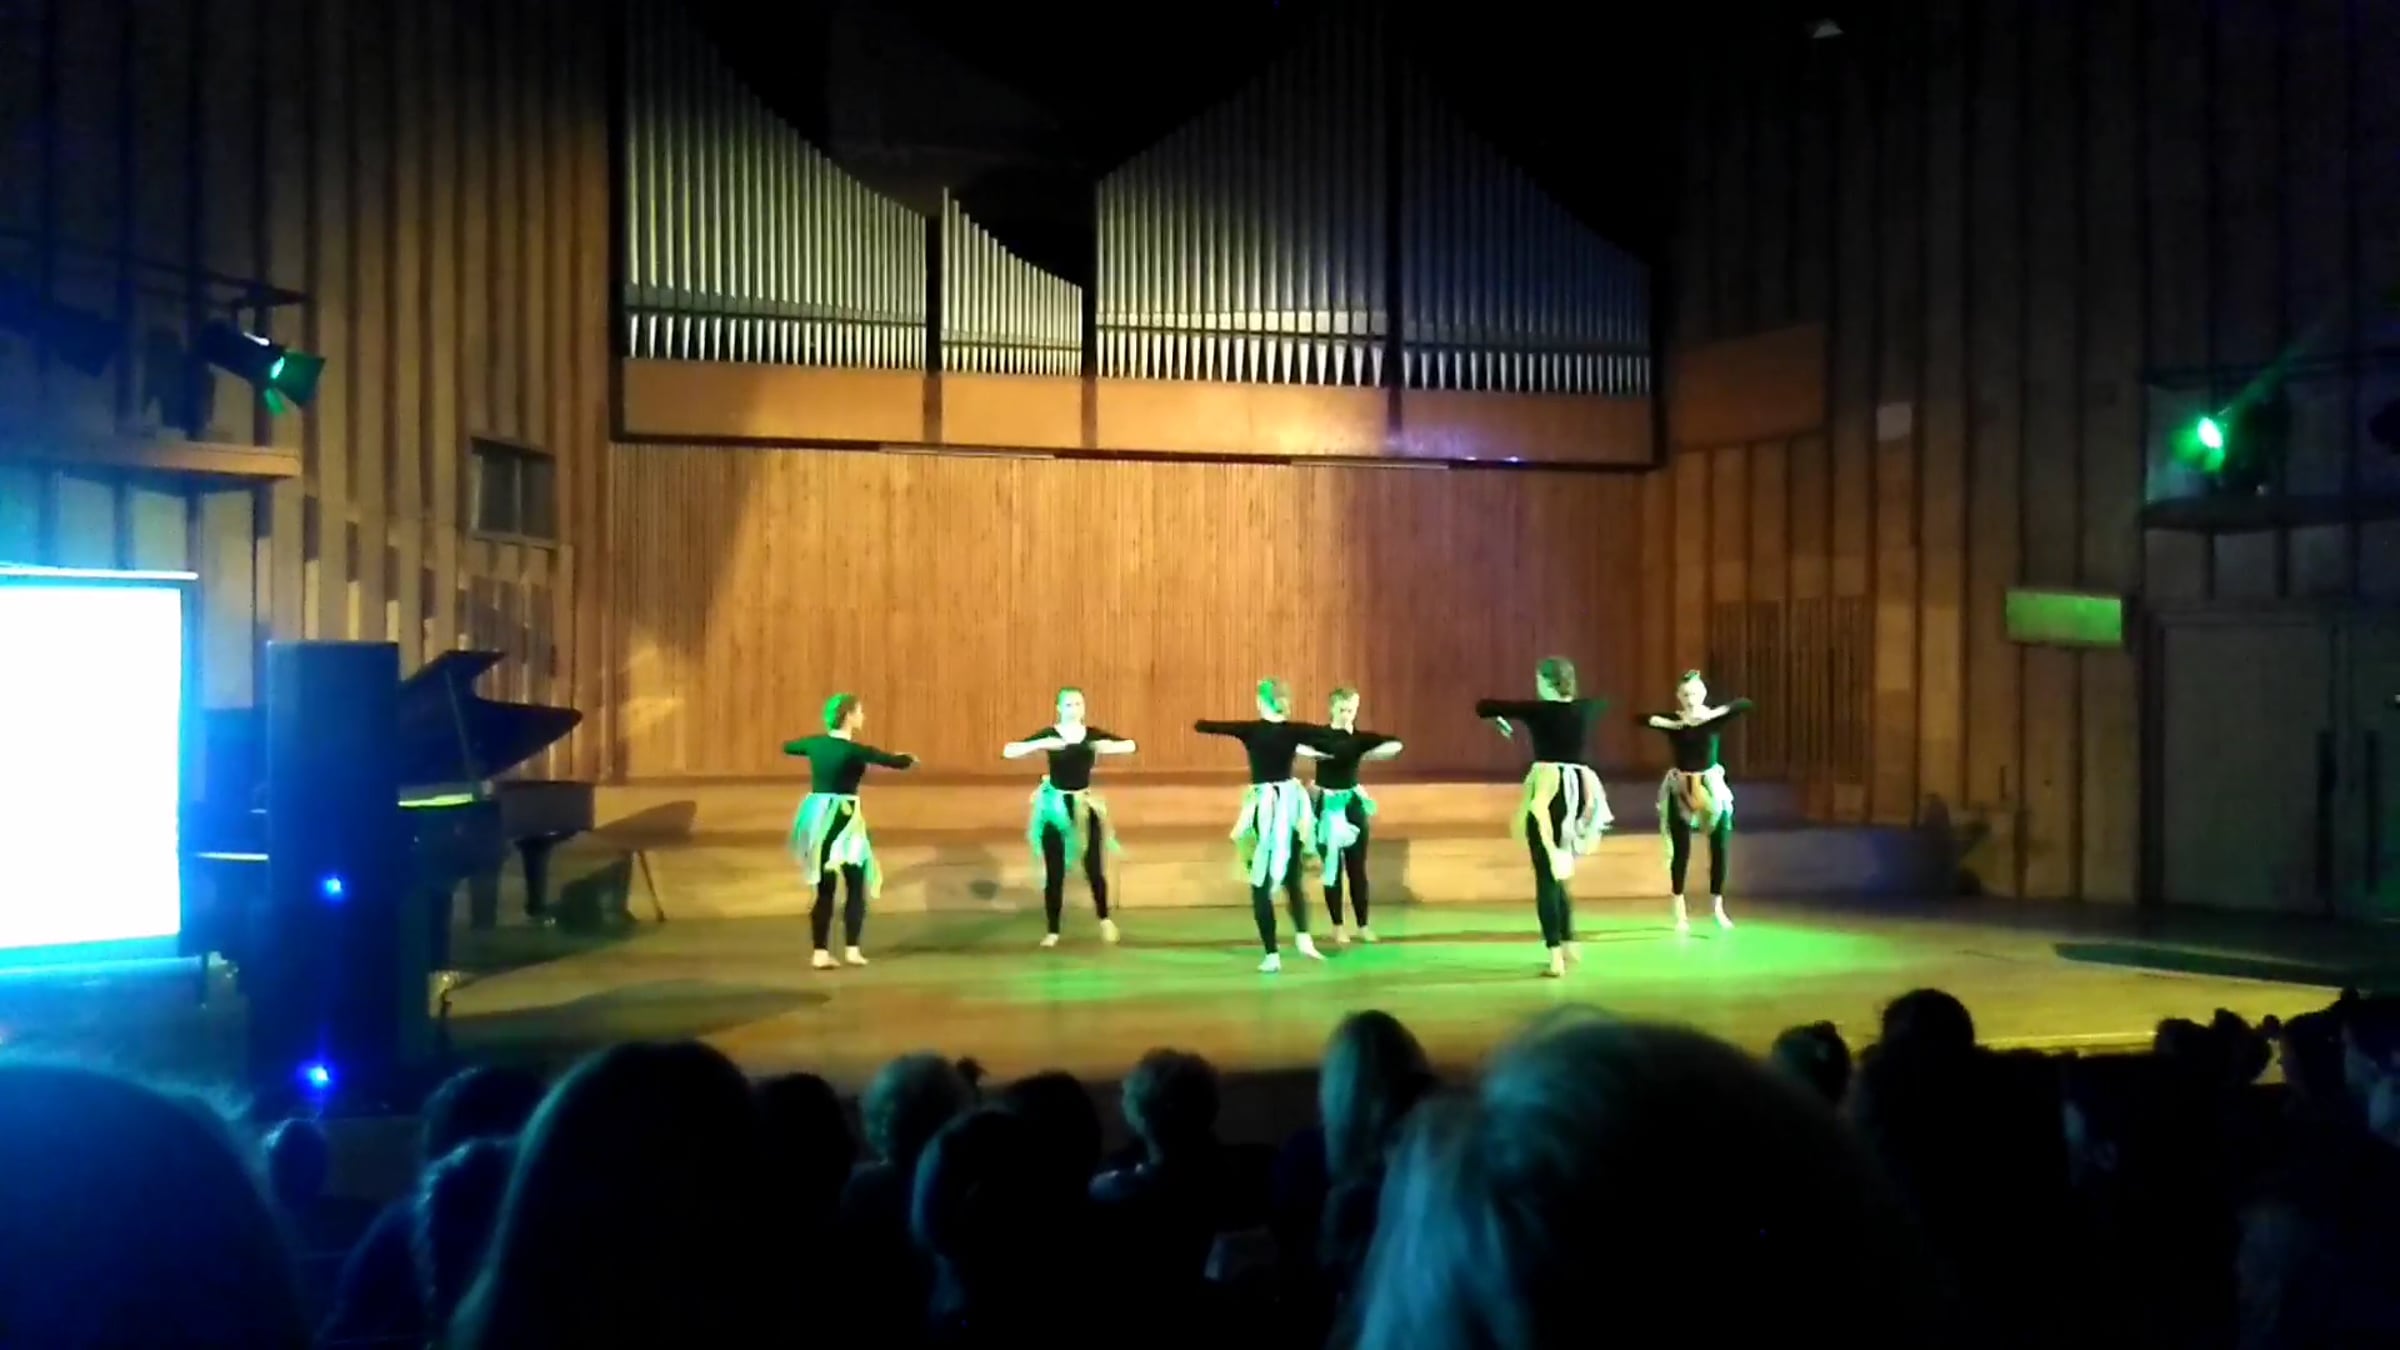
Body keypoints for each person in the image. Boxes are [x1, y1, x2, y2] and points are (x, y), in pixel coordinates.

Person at [1196, 679, 1346, 972]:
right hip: (1287, 806)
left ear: (1260, 701)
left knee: (1261, 882)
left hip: (1269, 806)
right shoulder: (1294, 730)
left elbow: (1212, 726)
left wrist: (1200, 724)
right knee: (1292, 878)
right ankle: (1302, 940)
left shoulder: (1252, 730)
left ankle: (1273, 954)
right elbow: (1329, 737)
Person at [1475, 657, 1611, 977]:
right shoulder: (1586, 708)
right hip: (1578, 791)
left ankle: (1555, 955)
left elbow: (1483, 706)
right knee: (1559, 869)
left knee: (1546, 874)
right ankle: (1569, 942)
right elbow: (1605, 703)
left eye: (1539, 681)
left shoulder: (1538, 711)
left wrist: (1499, 721)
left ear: (1547, 682)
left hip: (1549, 792)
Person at [785, 693, 916, 968]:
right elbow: (892, 761)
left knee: (825, 887)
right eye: (859, 712)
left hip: (818, 818)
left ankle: (820, 952)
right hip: (843, 819)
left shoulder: (816, 744)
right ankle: (852, 949)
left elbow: (790, 747)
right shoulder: (853, 750)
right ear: (848, 716)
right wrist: (908, 759)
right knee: (855, 883)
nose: (862, 716)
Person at [1003, 687, 1136, 948]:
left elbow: (1131, 745)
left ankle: (1105, 920)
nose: (1074, 709)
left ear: (1084, 708)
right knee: (1055, 872)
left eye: (1078, 704)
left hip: (1084, 805)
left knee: (1094, 866)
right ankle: (1053, 930)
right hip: (1054, 808)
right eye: (1068, 705)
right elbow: (1009, 751)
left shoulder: (1092, 734)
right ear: (1059, 708)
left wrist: (1105, 746)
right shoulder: (1051, 734)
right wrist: (1042, 744)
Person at [1642, 670, 1753, 933]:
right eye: (1685, 694)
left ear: (1703, 694)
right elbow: (1642, 719)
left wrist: (1711, 715)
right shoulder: (1675, 721)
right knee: (1681, 851)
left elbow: (1744, 704)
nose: (1690, 699)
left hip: (1711, 787)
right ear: (1678, 697)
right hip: (1681, 786)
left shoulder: (1711, 720)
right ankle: (1679, 911)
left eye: (1694, 693)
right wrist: (1672, 725)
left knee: (1720, 847)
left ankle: (1717, 907)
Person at [1298, 687, 1402, 944]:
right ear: (1332, 708)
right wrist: (1318, 753)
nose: (1347, 714)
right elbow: (1297, 744)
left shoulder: (1359, 739)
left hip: (1352, 804)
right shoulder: (1321, 736)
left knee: (1357, 869)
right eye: (1342, 709)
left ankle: (1363, 925)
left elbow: (1395, 744)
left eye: (1351, 710)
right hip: (1327, 805)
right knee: (1333, 867)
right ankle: (1337, 926)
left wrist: (1370, 753)